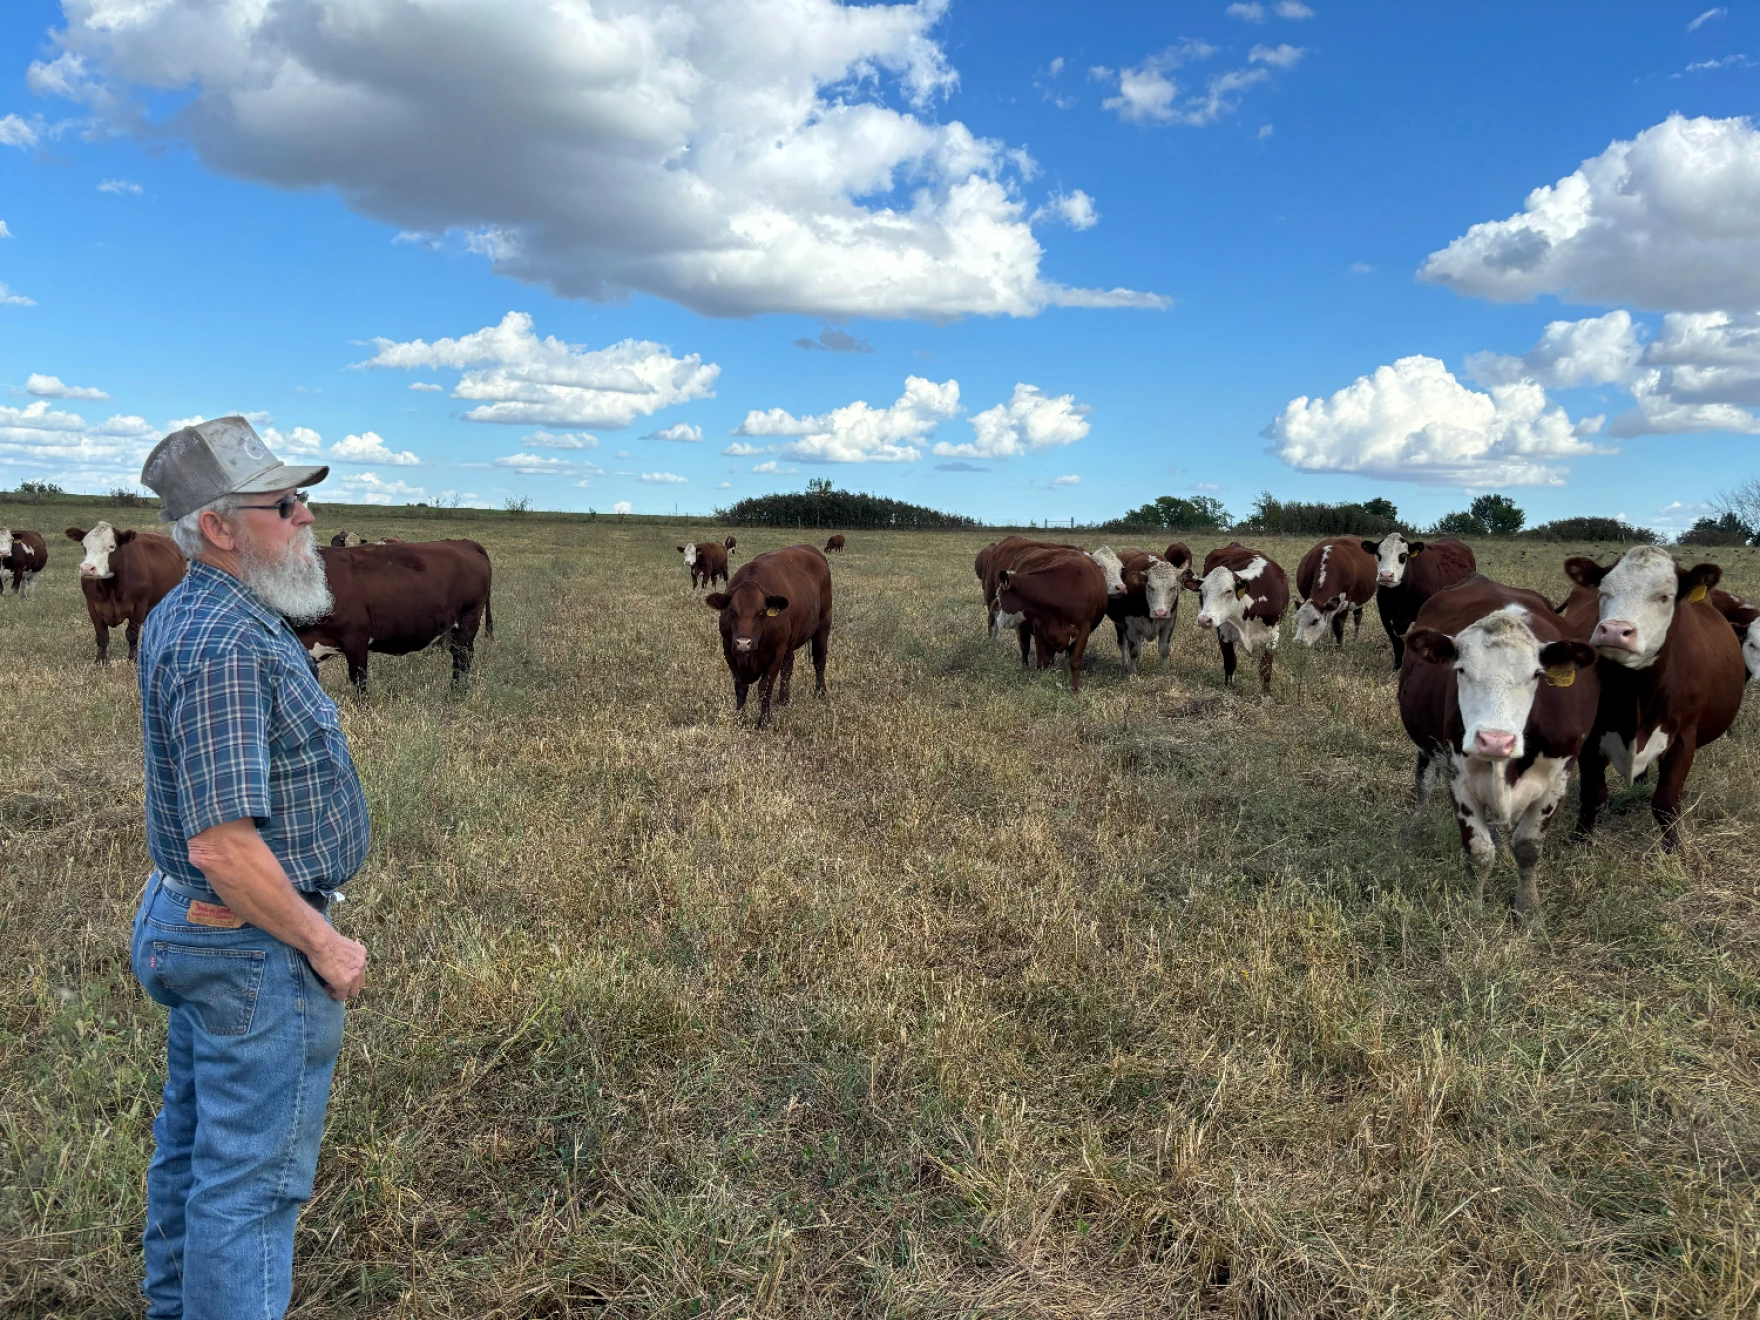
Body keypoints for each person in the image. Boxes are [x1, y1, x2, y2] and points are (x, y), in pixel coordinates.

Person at [131, 416, 371, 1319]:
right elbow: (224, 845)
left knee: (196, 1157)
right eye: (285, 502)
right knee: (253, 1191)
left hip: (197, 927)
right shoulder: (228, 642)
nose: (307, 516)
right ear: (222, 528)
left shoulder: (201, 611)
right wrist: (322, 943)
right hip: (252, 944)